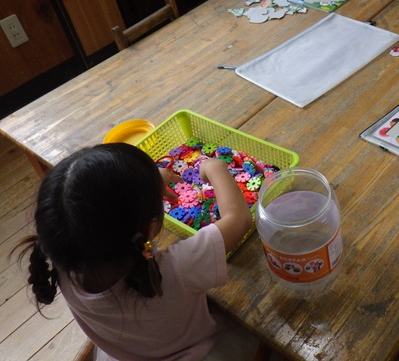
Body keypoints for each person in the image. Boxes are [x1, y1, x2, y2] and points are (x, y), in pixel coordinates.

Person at [17, 143, 254, 360]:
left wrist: (144, 192)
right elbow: (239, 219)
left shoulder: (65, 267)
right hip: (197, 351)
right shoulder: (176, 268)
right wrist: (215, 168)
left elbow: (99, 213)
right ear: (151, 228)